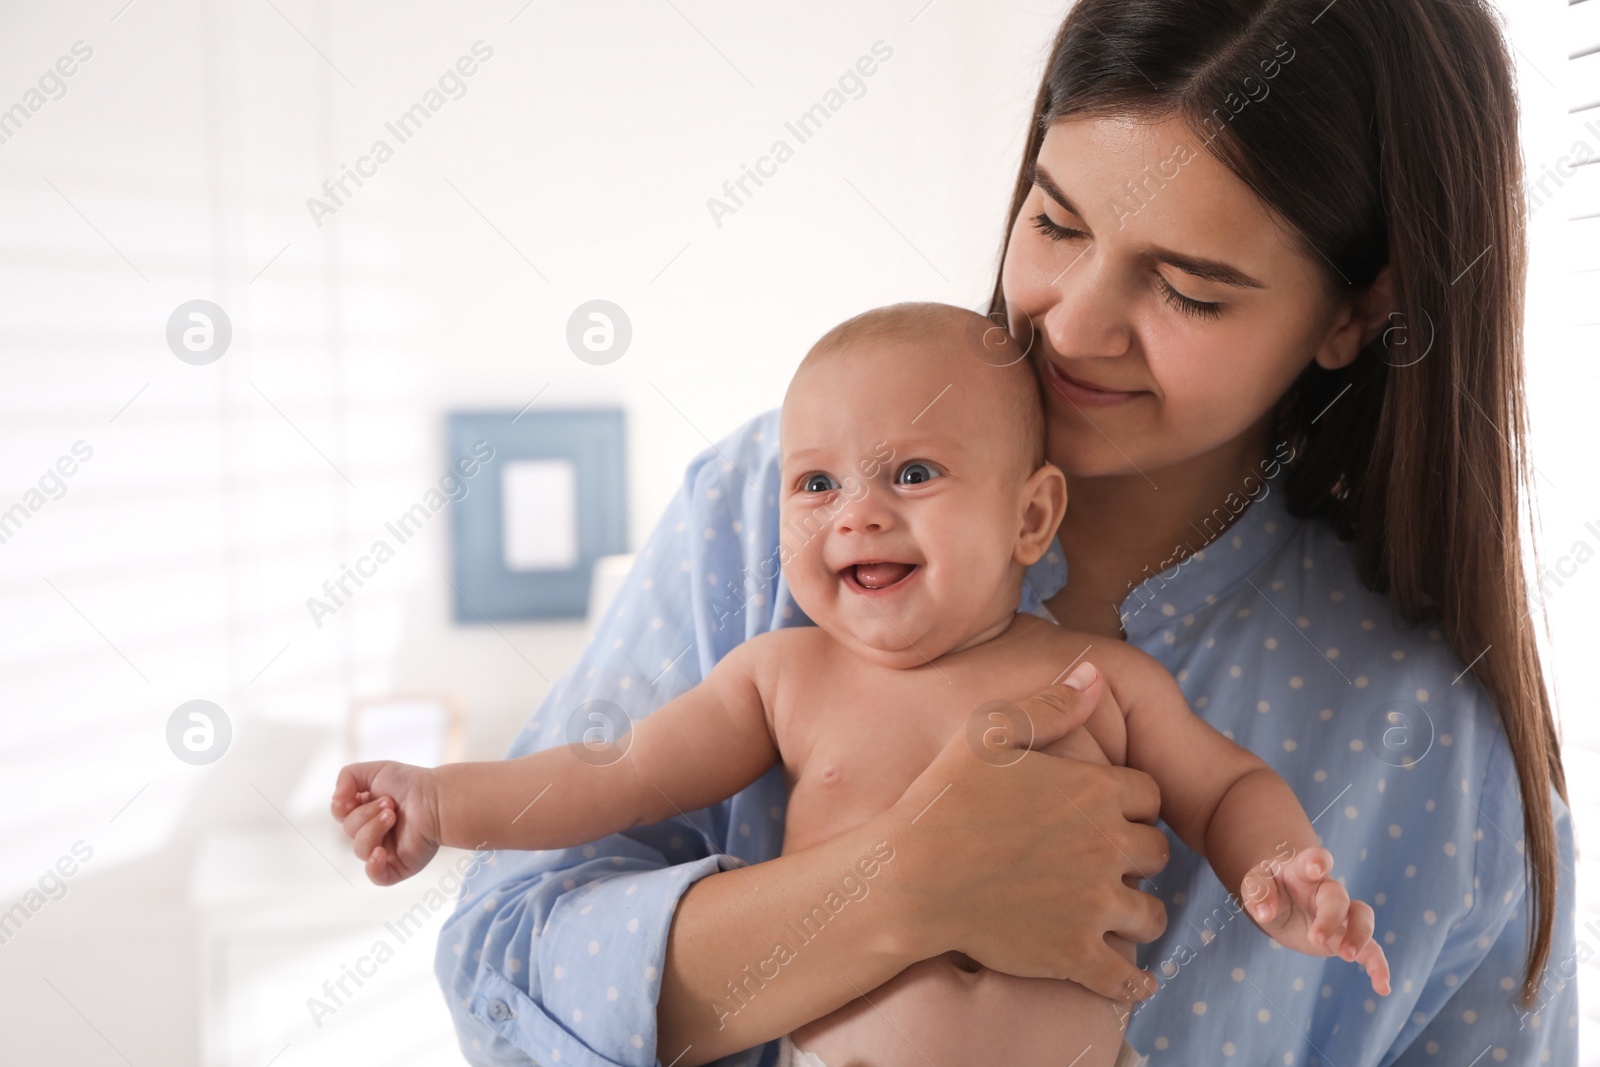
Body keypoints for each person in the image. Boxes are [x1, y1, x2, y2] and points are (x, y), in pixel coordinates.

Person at [433, 1, 1577, 1064]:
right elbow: (502, 969)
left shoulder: (1431, 749)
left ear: (1353, 311)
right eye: (1054, 220)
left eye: (1186, 288)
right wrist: (892, 889)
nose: (1070, 325)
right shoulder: (779, 511)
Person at [335, 303, 1392, 1067]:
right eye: (815, 482)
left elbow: (1223, 784)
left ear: (1030, 516)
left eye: (913, 473)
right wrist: (442, 801)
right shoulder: (782, 676)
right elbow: (610, 774)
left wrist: (1280, 867)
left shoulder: (1094, 676)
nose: (856, 513)